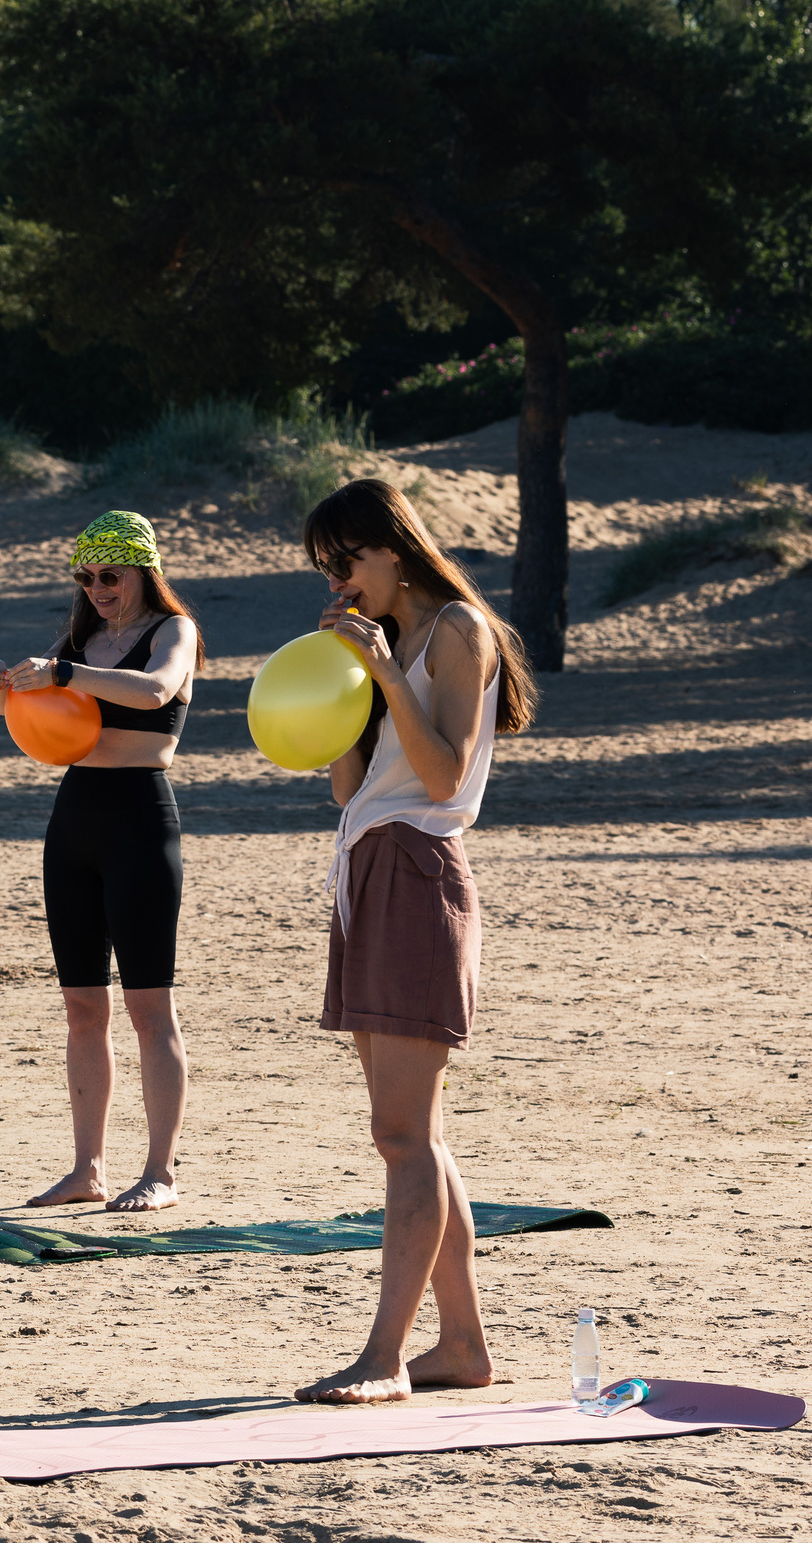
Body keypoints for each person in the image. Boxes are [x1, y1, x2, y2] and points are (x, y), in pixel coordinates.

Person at [291, 478, 539, 1404]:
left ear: (392, 550)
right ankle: (463, 1345)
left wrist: (387, 672)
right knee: (415, 1135)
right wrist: (342, 681)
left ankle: (386, 1355)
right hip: (369, 863)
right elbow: (349, 787)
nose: (342, 579)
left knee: (401, 1134)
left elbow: (439, 781)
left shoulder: (460, 632)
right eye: (330, 567)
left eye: (347, 560)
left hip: (419, 869)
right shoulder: (391, 643)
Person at [0, 510, 200, 1213]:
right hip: (75, 819)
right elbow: (46, 715)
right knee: (81, 1005)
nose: (99, 588)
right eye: (87, 576)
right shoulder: (80, 637)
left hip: (139, 815)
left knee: (148, 1006)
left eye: (112, 575)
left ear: (144, 572)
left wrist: (66, 670)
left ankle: (160, 1171)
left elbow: (157, 689)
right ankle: (87, 1168)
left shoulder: (172, 632)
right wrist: (4, 691)